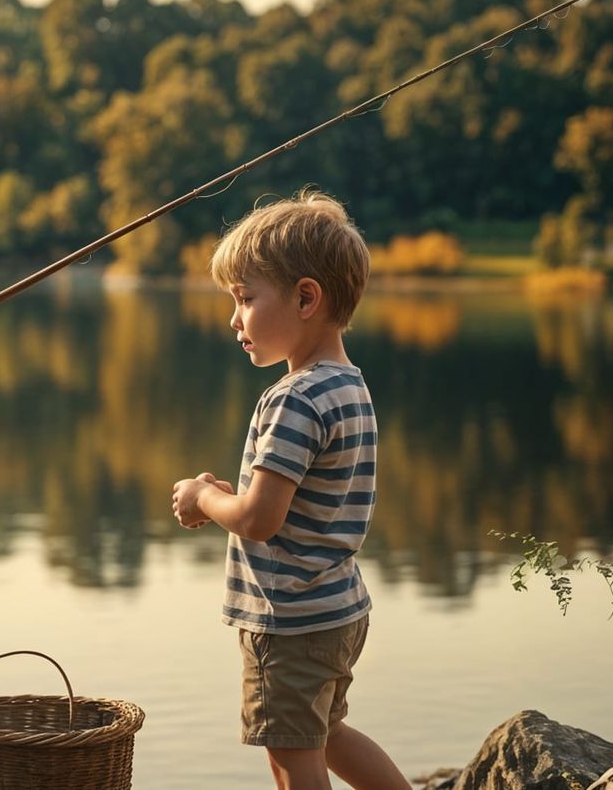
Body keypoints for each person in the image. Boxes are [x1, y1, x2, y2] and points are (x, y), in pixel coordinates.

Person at [170, 190, 409, 790]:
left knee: (290, 749)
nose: (234, 319)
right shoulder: (348, 386)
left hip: (289, 619)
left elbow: (258, 519)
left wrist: (202, 498)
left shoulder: (294, 398)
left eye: (246, 299)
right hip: (338, 607)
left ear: (306, 298)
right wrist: (233, 499)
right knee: (326, 734)